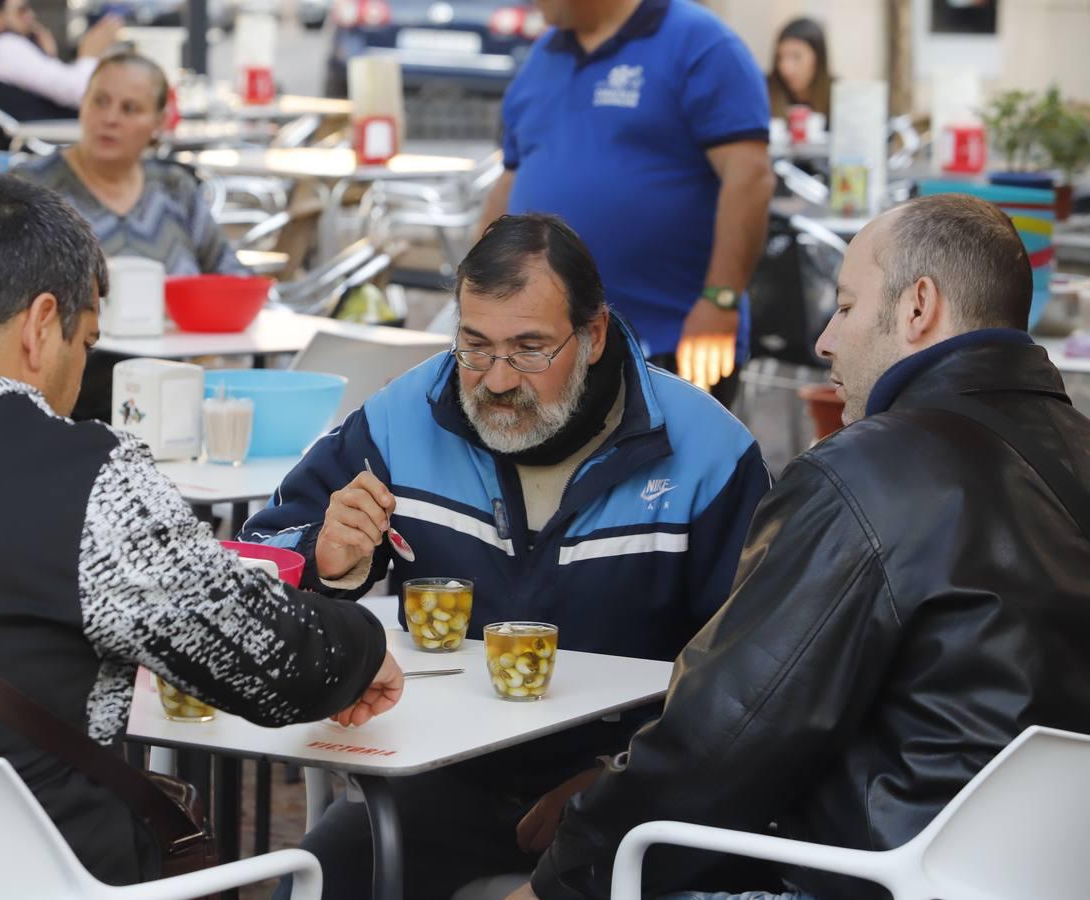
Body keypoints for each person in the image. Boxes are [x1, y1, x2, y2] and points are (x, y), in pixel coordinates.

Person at [0, 176, 404, 886]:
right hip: (29, 877)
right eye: (85, 343)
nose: (80, 368)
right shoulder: (83, 481)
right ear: (40, 323)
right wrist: (362, 649)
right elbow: (275, 669)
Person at [516, 194, 1090, 900]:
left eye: (845, 307)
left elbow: (724, 742)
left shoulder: (867, 474)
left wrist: (561, 879)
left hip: (869, 881)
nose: (824, 339)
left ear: (918, 308)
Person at [245, 213, 772, 899]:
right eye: (474, 345)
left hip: (637, 796)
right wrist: (327, 555)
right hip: (445, 770)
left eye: (529, 349)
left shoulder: (708, 451)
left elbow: (755, 680)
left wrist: (616, 779)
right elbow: (256, 561)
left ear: (593, 335)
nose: (495, 380)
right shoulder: (406, 414)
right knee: (319, 880)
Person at [478, 0, 775, 405]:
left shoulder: (701, 43)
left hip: (669, 342)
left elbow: (749, 178)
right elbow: (510, 180)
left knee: (667, 468)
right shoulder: (542, 55)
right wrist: (476, 292)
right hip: (548, 345)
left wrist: (720, 300)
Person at [12, 52, 246, 278]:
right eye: (99, 102)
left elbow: (233, 276)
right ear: (83, 104)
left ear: (159, 122)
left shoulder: (174, 188)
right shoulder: (27, 192)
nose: (110, 118)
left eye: (130, 108)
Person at [0, 0, 122, 132]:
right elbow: (73, 92)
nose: (31, 16)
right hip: (52, 139)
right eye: (21, 10)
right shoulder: (5, 46)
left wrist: (49, 58)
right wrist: (89, 56)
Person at [767, 17, 832, 120]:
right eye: (780, 58)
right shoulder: (767, 90)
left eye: (796, 57)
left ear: (818, 58)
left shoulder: (837, 96)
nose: (786, 68)